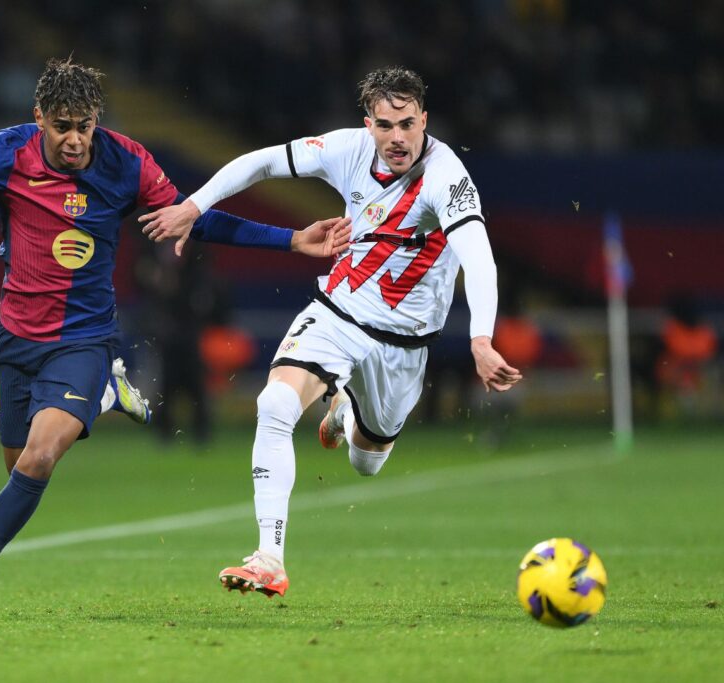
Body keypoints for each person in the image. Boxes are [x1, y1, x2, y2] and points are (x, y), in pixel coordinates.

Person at [0, 57, 350, 619]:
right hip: (15, 341)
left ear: (97, 121)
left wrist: (291, 241)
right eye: (61, 126)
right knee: (18, 463)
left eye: (84, 126)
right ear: (38, 117)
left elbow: (193, 217)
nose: (73, 139)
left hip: (84, 340)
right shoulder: (5, 154)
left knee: (40, 459)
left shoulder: (126, 161)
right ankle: (109, 394)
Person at [140, 66, 522, 597]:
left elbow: (478, 257)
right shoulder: (345, 150)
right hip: (339, 310)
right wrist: (193, 205)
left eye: (407, 124)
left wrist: (481, 337)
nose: (397, 138)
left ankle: (344, 413)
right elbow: (265, 161)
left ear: (424, 120)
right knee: (274, 405)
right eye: (385, 125)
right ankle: (269, 556)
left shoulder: (447, 177)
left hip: (405, 343)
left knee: (366, 463)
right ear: (369, 124)